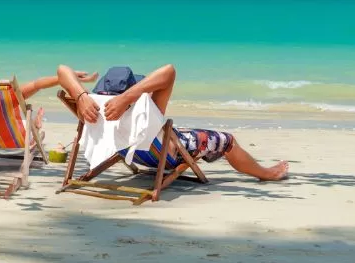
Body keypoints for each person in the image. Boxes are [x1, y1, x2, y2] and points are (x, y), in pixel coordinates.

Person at [55, 62, 289, 181]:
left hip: (125, 147)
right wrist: (129, 97)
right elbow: (169, 71)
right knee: (227, 140)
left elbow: (61, 70)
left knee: (176, 130)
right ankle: (266, 173)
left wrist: (81, 95)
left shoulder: (92, 105)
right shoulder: (143, 107)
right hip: (164, 154)